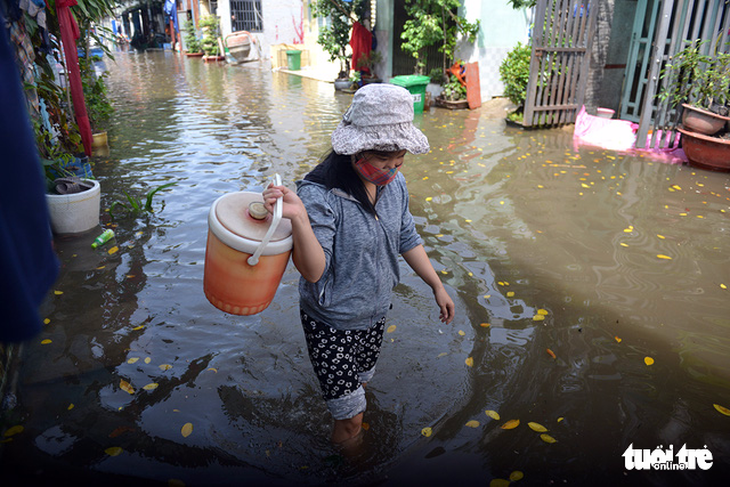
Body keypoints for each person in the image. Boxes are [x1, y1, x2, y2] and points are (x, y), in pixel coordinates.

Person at [262, 83, 455, 448]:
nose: (392, 171)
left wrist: (436, 285)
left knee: (360, 389)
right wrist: (300, 219)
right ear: (356, 152)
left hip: (375, 313)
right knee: (351, 421)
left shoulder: (394, 186)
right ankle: (350, 470)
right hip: (331, 322)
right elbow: (314, 270)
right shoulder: (320, 194)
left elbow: (406, 237)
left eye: (399, 162)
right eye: (384, 163)